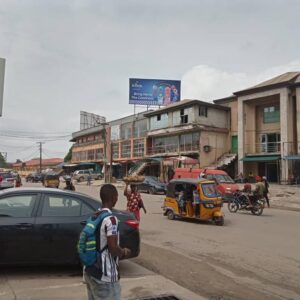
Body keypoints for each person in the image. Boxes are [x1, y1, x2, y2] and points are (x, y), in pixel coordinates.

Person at [84, 184, 131, 300]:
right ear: (114, 198)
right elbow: (113, 248)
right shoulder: (111, 219)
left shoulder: (95, 215)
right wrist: (124, 252)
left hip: (90, 271)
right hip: (105, 276)